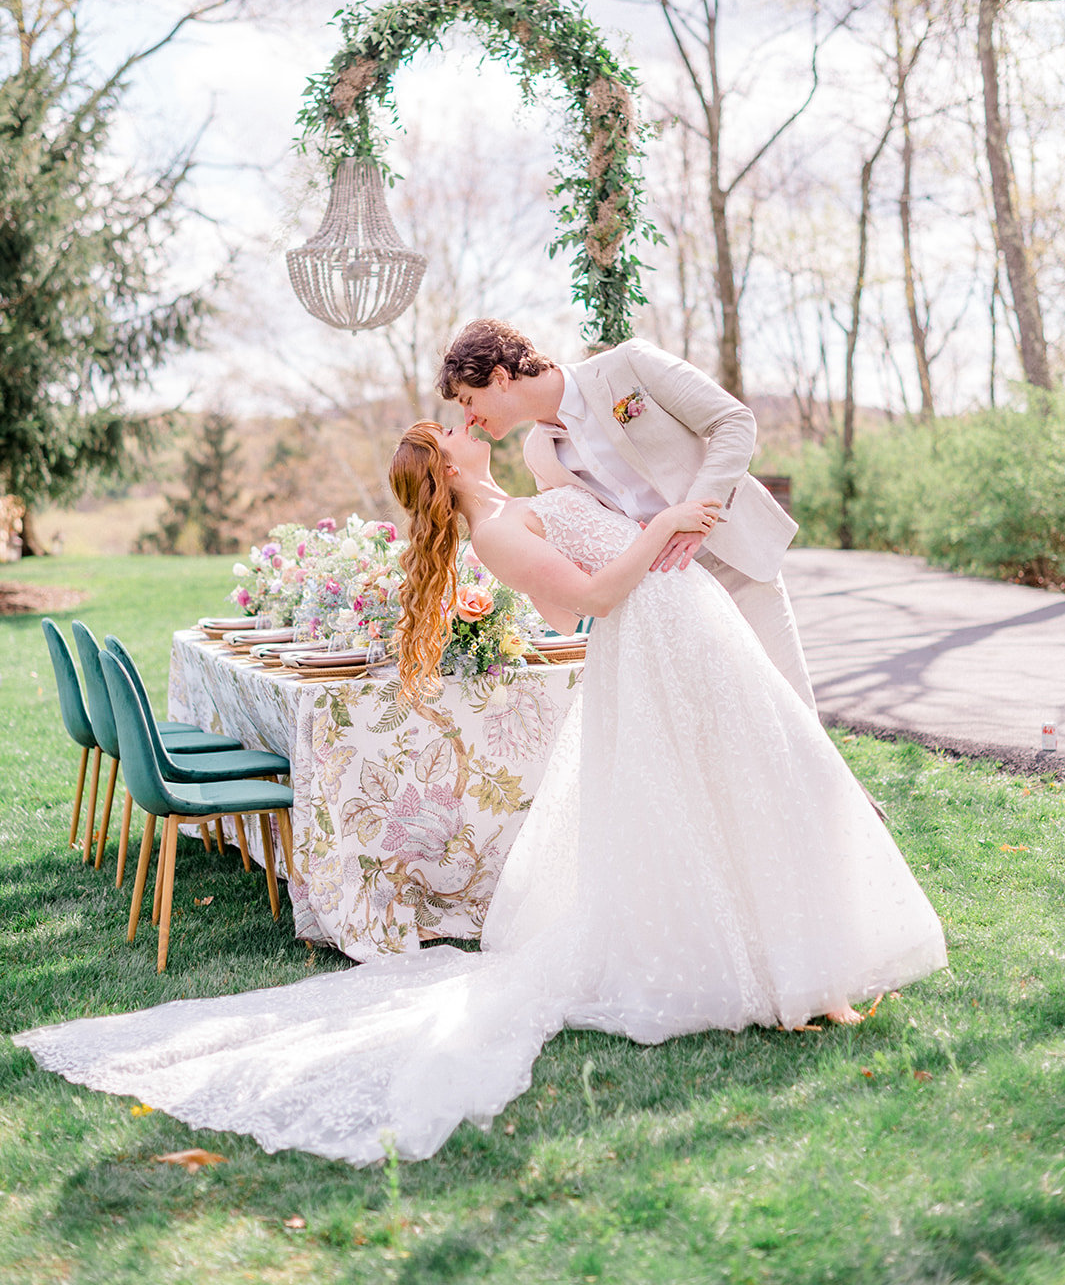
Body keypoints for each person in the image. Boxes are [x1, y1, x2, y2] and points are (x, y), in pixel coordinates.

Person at [14, 423, 947, 1167]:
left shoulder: (518, 492)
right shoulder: (496, 530)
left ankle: (802, 964)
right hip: (656, 644)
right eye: (455, 423)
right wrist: (660, 533)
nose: (470, 421)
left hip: (696, 633)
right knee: (714, 799)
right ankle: (780, 976)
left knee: (767, 783)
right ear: (445, 464)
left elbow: (560, 449)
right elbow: (577, 605)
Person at [438, 320, 816, 709]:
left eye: (468, 400)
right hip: (668, 597)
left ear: (500, 377)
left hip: (734, 560)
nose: (468, 418)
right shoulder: (538, 456)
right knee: (726, 719)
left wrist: (699, 517)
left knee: (792, 708)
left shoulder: (629, 365)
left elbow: (733, 421)